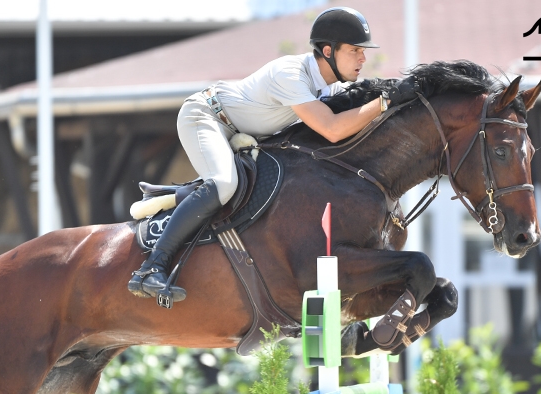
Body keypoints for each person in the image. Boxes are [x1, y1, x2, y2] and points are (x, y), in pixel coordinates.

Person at [128, 6, 419, 306]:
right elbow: (332, 129)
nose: (363, 59)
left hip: (241, 131)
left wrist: (392, 99)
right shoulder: (290, 74)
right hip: (206, 117)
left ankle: (182, 196)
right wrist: (385, 101)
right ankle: (151, 267)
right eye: (356, 50)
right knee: (225, 184)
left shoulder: (328, 84)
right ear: (329, 50)